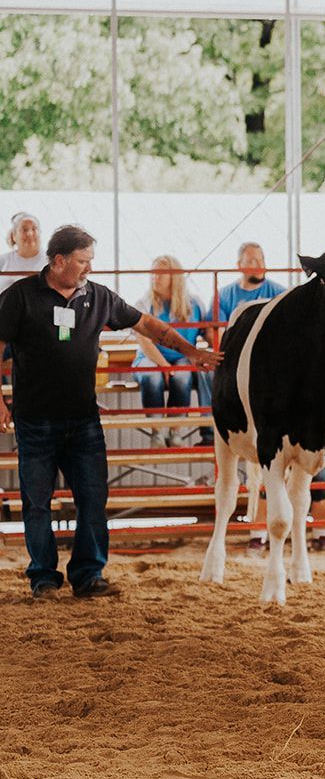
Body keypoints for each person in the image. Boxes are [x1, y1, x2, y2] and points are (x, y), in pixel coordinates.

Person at [0, 225, 221, 597]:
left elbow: (148, 324)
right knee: (36, 502)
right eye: (83, 261)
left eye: (90, 261)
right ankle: (43, 577)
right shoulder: (20, 297)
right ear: (59, 261)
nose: (89, 268)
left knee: (93, 496)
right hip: (35, 418)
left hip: (83, 417)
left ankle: (88, 575)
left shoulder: (98, 297)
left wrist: (191, 351)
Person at [132, 255, 212, 444]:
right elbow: (144, 341)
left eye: (160, 273)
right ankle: (157, 432)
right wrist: (165, 365)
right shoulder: (144, 303)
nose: (154, 277)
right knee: (152, 375)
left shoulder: (194, 304)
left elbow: (208, 333)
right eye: (153, 273)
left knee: (183, 375)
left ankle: (175, 432)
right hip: (151, 357)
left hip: (182, 357)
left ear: (174, 277)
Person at [211, 241, 286, 340]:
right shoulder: (223, 296)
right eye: (252, 261)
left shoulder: (280, 294)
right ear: (239, 265)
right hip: (236, 350)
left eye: (261, 260)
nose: (260, 266)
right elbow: (215, 333)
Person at [0, 212, 46, 293]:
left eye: (34, 229)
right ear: (14, 235)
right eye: (24, 230)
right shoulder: (3, 261)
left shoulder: (51, 262)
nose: (30, 234)